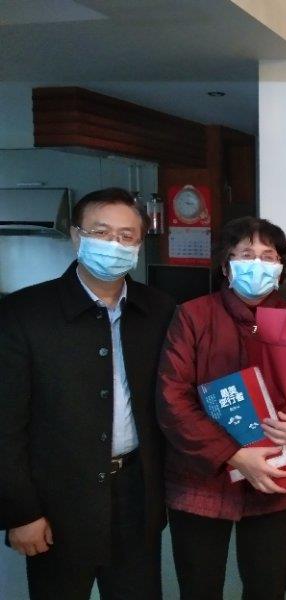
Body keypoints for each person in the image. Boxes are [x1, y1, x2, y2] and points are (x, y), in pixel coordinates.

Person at [0, 188, 175, 599]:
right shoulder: (24, 313)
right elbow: (4, 425)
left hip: (136, 495)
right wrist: (20, 512)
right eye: (101, 232)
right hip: (57, 501)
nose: (114, 244)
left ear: (138, 245)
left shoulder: (160, 310)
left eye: (127, 236)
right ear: (77, 237)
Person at [156, 216, 286, 599]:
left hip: (275, 476)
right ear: (226, 266)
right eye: (245, 254)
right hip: (200, 479)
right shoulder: (192, 316)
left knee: (267, 587)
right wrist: (233, 455)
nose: (257, 264)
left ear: (281, 267)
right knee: (199, 587)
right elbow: (173, 399)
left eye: (268, 256)